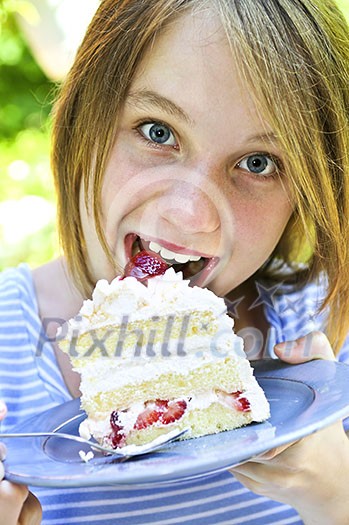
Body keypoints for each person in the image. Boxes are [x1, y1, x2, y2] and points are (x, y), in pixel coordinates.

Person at [1, 0, 349, 523]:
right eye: (157, 131)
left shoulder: (327, 328)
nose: (189, 215)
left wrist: (336, 497)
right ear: (81, 119)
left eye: (258, 163)